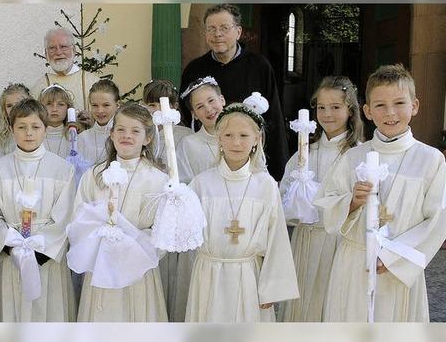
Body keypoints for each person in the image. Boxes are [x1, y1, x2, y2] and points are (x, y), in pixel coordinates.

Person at [316, 64, 446, 322]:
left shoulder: (430, 160)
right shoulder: (353, 157)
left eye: (399, 103)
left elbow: (438, 219)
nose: (390, 113)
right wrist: (351, 202)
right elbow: (326, 203)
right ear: (367, 111)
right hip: (354, 264)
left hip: (399, 269)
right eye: (380, 105)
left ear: (415, 106)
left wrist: (395, 256)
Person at [185, 96, 299, 322]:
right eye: (228, 135)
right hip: (209, 274)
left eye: (244, 136)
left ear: (257, 139)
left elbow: (277, 238)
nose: (236, 143)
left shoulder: (265, 185)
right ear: (219, 138)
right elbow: (184, 231)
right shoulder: (201, 183)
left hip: (249, 276)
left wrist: (272, 287)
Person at [72, 104, 168, 322]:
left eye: (135, 131)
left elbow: (161, 231)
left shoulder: (158, 180)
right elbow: (79, 218)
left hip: (139, 269)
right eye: (121, 129)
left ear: (148, 138)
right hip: (101, 265)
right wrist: (102, 241)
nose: (127, 136)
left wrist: (130, 247)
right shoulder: (94, 175)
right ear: (112, 133)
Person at [278, 76, 364, 322]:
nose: (327, 114)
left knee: (332, 304)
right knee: (303, 305)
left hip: (339, 241)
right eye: (321, 107)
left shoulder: (358, 153)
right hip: (306, 239)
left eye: (335, 107)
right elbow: (285, 196)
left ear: (350, 110)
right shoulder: (303, 153)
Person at [0, 99, 77, 321]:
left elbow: (66, 216)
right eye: (22, 127)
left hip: (47, 257)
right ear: (11, 128)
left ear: (45, 129)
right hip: (12, 256)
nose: (29, 133)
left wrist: (37, 253)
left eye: (35, 127)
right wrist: (11, 245)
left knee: (51, 313)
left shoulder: (62, 169)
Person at [180, 4, 288, 180]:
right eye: (211, 29)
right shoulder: (194, 70)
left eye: (224, 28)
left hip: (250, 161)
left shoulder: (259, 66)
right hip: (207, 159)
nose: (217, 34)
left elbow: (273, 117)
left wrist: (277, 169)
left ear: (238, 32)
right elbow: (188, 115)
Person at [142, 79, 193, 322]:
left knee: (178, 271)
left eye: (162, 104)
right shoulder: (145, 134)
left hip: (177, 210)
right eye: (151, 104)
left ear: (174, 106)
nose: (157, 110)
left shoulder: (185, 135)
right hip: (154, 211)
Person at [29, 27, 98, 122]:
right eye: (52, 48)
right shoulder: (39, 87)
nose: (58, 52)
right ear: (46, 54)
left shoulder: (93, 82)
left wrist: (94, 119)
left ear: (74, 50)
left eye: (63, 47)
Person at [176, 77, 226, 183]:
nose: (208, 109)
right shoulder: (188, 144)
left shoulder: (241, 136)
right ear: (194, 114)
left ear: (222, 100)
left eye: (211, 101)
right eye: (200, 106)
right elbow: (184, 183)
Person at [77, 79, 120, 166]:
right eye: (95, 105)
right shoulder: (82, 138)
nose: (100, 110)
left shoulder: (123, 136)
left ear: (117, 105)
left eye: (106, 105)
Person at [0, 82, 31, 163]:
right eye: (9, 106)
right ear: (4, 109)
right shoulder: (0, 135)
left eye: (18, 104)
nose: (14, 109)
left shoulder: (35, 131)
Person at [38, 84, 74, 159]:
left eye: (60, 104)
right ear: (40, 107)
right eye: (49, 104)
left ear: (68, 108)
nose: (54, 109)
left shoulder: (74, 136)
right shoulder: (34, 136)